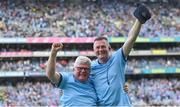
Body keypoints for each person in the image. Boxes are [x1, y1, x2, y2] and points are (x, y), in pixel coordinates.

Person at [91, 4, 151, 106]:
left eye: (103, 47)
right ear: (94, 50)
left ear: (109, 48)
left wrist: (139, 20)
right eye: (97, 47)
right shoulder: (91, 67)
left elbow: (130, 39)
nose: (100, 49)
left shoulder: (118, 58)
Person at [46, 43, 129, 106]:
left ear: (90, 71)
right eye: (80, 68)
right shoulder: (67, 79)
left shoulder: (94, 82)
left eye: (86, 69)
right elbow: (50, 75)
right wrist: (53, 52)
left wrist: (122, 87)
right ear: (73, 69)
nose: (83, 71)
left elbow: (109, 90)